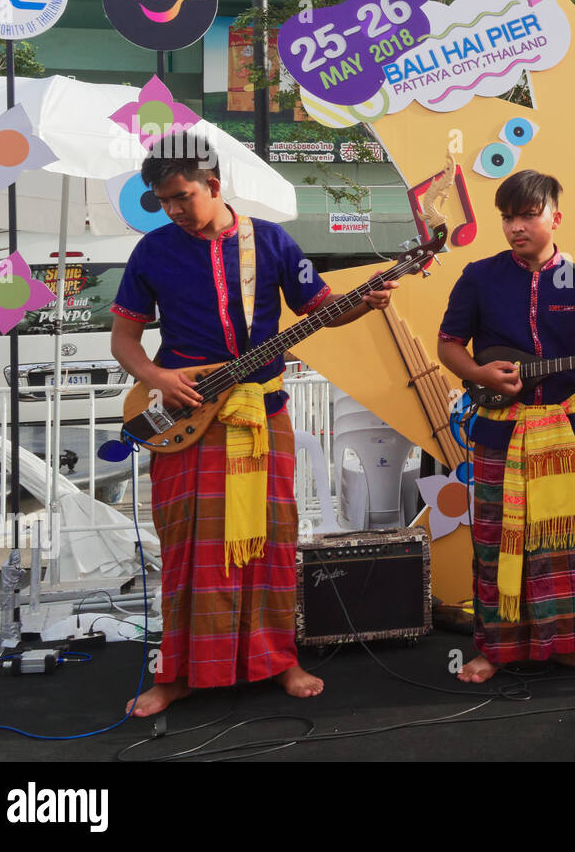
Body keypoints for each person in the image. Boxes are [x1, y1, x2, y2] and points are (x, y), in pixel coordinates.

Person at [110, 139, 393, 717]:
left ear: (214, 185)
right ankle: (177, 673)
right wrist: (159, 377)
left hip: (263, 414)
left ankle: (278, 660)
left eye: (182, 197)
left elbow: (320, 306)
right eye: (164, 201)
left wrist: (362, 304)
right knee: (188, 548)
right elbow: (124, 341)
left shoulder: (271, 241)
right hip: (185, 421)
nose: (174, 211)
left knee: (271, 541)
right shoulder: (153, 252)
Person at [437, 170, 575, 684]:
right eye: (507, 217)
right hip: (500, 432)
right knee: (495, 542)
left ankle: (567, 645)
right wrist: (477, 374)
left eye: (527, 215)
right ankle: (495, 649)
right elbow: (449, 344)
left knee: (565, 545)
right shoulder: (479, 276)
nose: (516, 226)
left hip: (565, 434)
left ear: (555, 218)